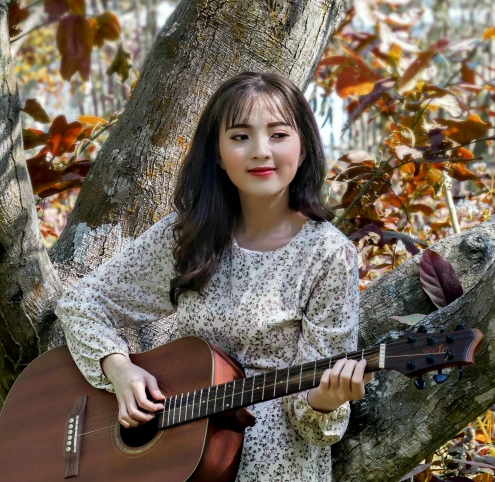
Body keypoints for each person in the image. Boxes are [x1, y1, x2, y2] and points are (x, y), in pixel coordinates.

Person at [54, 71, 373, 482]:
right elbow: (81, 303)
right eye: (240, 137)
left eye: (278, 134)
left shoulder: (330, 256)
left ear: (305, 146)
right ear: (218, 154)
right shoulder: (189, 233)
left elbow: (314, 423)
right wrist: (119, 369)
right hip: (175, 462)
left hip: (275, 468)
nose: (261, 151)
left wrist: (325, 401)